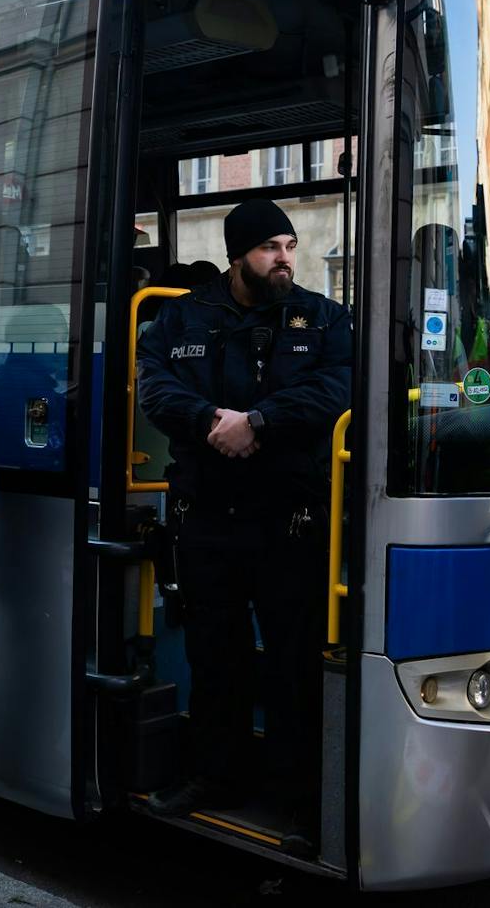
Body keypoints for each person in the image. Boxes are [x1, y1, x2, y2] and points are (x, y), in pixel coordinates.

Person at [135, 199, 351, 852]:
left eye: (289, 244)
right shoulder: (183, 315)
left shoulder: (322, 315)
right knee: (216, 658)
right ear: (238, 254)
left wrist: (257, 422)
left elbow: (338, 387)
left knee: (292, 665)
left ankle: (302, 804)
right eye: (270, 247)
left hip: (290, 522)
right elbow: (156, 388)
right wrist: (209, 423)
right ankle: (214, 777)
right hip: (210, 523)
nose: (285, 256)